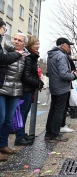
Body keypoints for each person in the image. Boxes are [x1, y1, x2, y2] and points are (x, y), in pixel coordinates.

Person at [0, 31, 27, 161]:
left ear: (24, 44)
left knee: (8, 119)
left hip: (15, 90)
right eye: (14, 39)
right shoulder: (5, 51)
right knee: (1, 117)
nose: (16, 41)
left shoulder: (25, 55)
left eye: (19, 40)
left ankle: (3, 145)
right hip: (2, 88)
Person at [45, 37, 77, 142]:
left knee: (53, 110)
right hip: (61, 87)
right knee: (59, 111)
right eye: (68, 45)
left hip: (54, 86)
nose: (69, 47)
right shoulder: (61, 56)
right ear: (62, 45)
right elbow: (64, 74)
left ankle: (48, 133)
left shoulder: (51, 55)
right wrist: (73, 75)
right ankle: (54, 135)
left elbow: (48, 72)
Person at [15, 35, 44, 146]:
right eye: (36, 43)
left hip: (28, 89)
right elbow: (26, 75)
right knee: (22, 114)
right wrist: (38, 83)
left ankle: (22, 134)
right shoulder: (28, 56)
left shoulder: (32, 56)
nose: (38, 45)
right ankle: (19, 137)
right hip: (25, 89)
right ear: (30, 44)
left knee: (24, 112)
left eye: (39, 43)